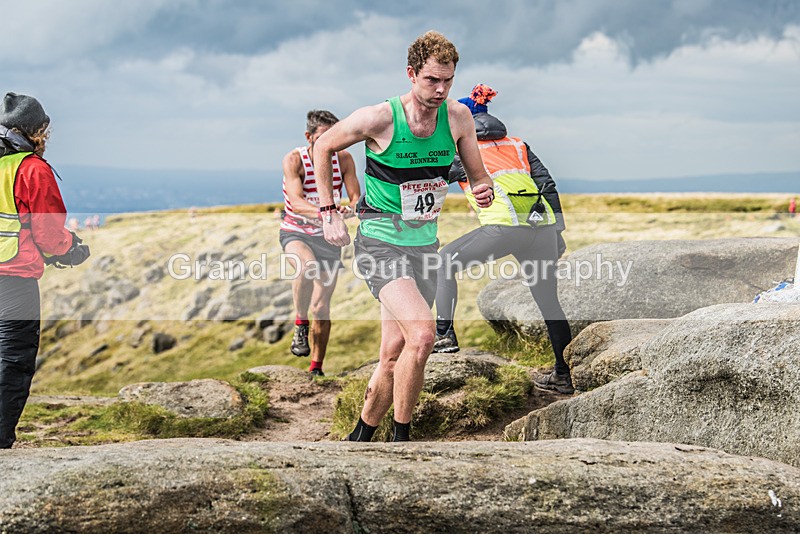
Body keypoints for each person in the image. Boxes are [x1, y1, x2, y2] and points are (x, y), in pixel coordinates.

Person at [313, 31, 494, 441]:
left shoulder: (458, 118)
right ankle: (402, 439)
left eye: (448, 80)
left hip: (423, 245)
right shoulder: (380, 117)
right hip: (379, 240)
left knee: (393, 355)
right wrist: (329, 213)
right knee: (424, 334)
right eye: (432, 80)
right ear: (411, 74)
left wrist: (482, 192)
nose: (441, 89)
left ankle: (360, 437)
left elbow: (479, 180)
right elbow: (322, 146)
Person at [433, 84, 575, 394]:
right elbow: (547, 185)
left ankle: (444, 336)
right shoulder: (519, 145)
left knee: (443, 262)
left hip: (503, 228)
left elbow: (431, 176)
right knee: (549, 301)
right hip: (542, 229)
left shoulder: (461, 149)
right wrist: (558, 231)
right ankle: (563, 376)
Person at [0, 92, 90, 448]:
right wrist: (71, 250)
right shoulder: (31, 169)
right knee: (13, 359)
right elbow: (49, 234)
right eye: (44, 132)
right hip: (13, 280)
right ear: (34, 131)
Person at [279, 110, 360, 376]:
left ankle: (317, 367)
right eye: (324, 137)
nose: (330, 143)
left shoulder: (344, 159)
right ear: (308, 137)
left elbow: (355, 196)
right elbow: (297, 201)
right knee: (307, 267)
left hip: (328, 236)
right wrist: (328, 213)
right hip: (297, 231)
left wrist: (352, 209)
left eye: (335, 137)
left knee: (322, 306)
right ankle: (300, 323)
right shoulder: (294, 160)